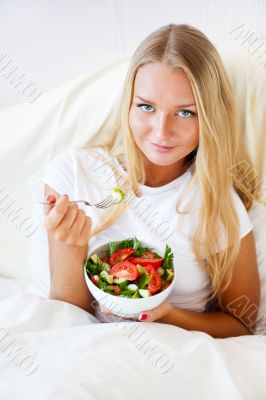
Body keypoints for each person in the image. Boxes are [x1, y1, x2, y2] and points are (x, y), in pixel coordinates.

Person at [43, 23, 262, 338]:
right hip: (92, 349)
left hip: (178, 354)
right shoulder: (75, 175)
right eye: (147, 107)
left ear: (209, 116)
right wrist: (69, 247)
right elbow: (66, 317)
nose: (162, 131)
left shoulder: (218, 205)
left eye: (185, 113)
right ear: (128, 105)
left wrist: (169, 315)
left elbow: (242, 325)